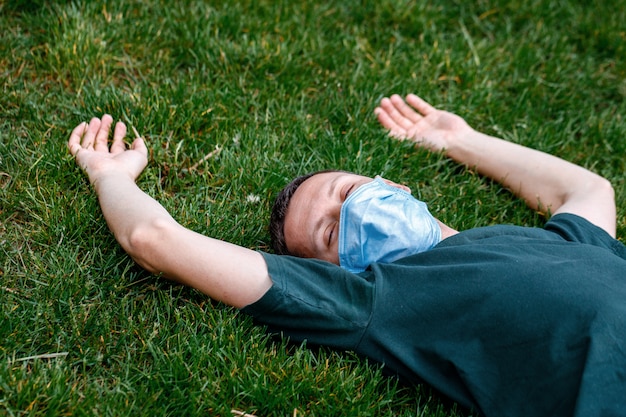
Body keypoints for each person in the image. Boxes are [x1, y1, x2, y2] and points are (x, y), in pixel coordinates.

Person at [68, 93, 626, 417]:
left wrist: (458, 139)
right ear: (336, 273)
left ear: (394, 186)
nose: (354, 212)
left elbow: (588, 193)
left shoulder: (539, 241)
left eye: (346, 191)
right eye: (331, 234)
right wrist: (110, 176)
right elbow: (153, 241)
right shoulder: (382, 301)